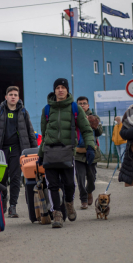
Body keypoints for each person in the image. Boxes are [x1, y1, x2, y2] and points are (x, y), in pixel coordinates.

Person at [37, 78, 96, 228]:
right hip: (50, 151)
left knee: (69, 183)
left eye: (63, 87)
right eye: (58, 87)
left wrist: (90, 146)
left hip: (67, 151)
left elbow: (87, 130)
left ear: (67, 90)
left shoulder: (75, 108)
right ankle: (57, 213)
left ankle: (69, 203)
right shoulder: (47, 109)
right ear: (54, 90)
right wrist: (40, 154)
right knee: (52, 185)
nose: (60, 90)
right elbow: (44, 135)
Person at [0, 86, 37, 218]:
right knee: (1, 178)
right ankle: (3, 201)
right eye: (11, 94)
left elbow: (30, 132)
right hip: (0, 150)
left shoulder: (23, 112)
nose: (13, 97)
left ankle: (13, 207)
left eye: (15, 95)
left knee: (15, 178)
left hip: (17, 149)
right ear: (6, 97)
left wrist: (34, 150)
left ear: (18, 98)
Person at [75, 96, 103, 209]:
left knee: (91, 177)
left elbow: (100, 132)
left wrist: (92, 123)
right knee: (80, 178)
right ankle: (83, 199)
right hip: (78, 153)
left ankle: (89, 191)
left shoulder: (94, 117)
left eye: (84, 103)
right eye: (80, 103)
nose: (82, 105)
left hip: (92, 152)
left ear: (88, 105)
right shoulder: (73, 117)